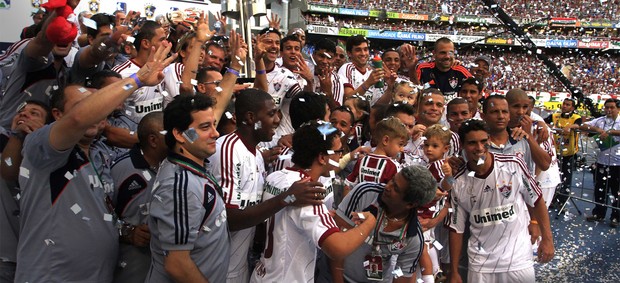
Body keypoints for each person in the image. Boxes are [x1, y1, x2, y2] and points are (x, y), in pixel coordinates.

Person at [15, 40, 175, 283]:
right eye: (86, 106)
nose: (96, 112)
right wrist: (137, 79)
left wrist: (125, 231)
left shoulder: (101, 152)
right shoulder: (44, 146)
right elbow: (79, 119)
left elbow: (98, 209)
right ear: (58, 115)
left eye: (99, 107)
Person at [250, 121, 377, 282]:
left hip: (263, 274)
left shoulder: (275, 177)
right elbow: (338, 248)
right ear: (322, 158)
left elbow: (285, 210)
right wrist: (369, 223)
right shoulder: (309, 194)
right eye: (338, 151)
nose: (341, 155)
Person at [449, 119, 554, 283]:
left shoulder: (513, 165)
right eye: (472, 143)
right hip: (481, 264)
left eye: (484, 141)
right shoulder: (458, 181)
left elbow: (537, 200)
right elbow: (456, 228)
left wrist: (547, 240)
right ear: (462, 145)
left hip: (517, 259)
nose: (479, 148)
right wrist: (454, 271)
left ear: (489, 140)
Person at [146, 95, 229, 282]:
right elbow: (177, 264)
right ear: (178, 134)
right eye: (205, 127)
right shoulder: (180, 186)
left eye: (214, 125)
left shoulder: (191, 169)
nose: (216, 133)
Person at [331, 165, 438, 282]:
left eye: (396, 189)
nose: (387, 186)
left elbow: (401, 277)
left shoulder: (414, 237)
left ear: (410, 204)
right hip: (336, 277)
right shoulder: (364, 193)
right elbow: (335, 242)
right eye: (392, 180)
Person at [111, 112, 167, 283]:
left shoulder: (176, 167)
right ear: (153, 140)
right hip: (130, 269)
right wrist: (127, 232)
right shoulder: (121, 170)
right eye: (169, 132)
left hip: (166, 268)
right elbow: (98, 218)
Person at [0, 101, 51, 282]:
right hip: (6, 258)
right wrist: (17, 135)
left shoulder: (55, 155)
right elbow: (8, 170)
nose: (24, 114)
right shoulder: (6, 149)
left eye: (34, 113)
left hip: (40, 258)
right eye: (20, 111)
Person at [112, 20, 171, 123]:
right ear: (146, 43)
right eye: (162, 40)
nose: (166, 44)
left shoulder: (164, 69)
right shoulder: (121, 73)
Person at [419, 124, 454, 283]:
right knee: (429, 241)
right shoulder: (429, 164)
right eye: (426, 145)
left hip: (428, 211)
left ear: (445, 148)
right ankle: (434, 271)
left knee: (423, 243)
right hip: (428, 209)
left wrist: (448, 177)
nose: (429, 149)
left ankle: (433, 274)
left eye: (434, 146)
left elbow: (447, 187)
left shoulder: (440, 166)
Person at [580, 99, 620, 228]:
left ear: (618, 108)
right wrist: (597, 129)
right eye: (606, 107)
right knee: (599, 190)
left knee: (616, 191)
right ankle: (598, 213)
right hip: (601, 162)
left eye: (612, 107)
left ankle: (615, 216)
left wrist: (610, 132)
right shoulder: (600, 120)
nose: (608, 110)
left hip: (617, 164)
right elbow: (583, 126)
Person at [345, 117, 407, 188]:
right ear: (385, 140)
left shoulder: (361, 161)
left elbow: (348, 186)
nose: (402, 149)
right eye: (400, 144)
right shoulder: (392, 166)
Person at [545, 98, 582, 207]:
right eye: (564, 104)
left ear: (573, 107)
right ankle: (552, 198)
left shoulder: (576, 117)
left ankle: (562, 200)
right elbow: (542, 122)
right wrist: (549, 127)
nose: (564, 106)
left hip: (569, 154)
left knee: (566, 178)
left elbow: (578, 125)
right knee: (553, 176)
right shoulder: (555, 116)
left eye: (568, 105)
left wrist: (570, 126)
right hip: (555, 153)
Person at [338, 35, 384, 104]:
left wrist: (390, 87)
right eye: (358, 50)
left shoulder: (371, 71)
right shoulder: (347, 68)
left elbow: (379, 104)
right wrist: (368, 83)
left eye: (365, 49)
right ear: (349, 53)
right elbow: (347, 100)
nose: (363, 53)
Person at [310, 38, 345, 110]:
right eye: (321, 56)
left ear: (333, 59)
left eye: (329, 58)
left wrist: (328, 92)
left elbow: (336, 111)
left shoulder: (336, 80)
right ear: (314, 55)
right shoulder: (305, 71)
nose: (324, 61)